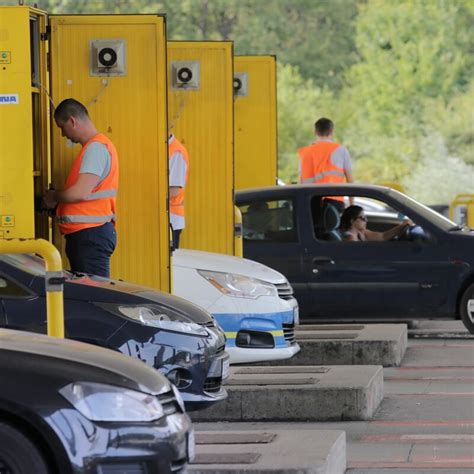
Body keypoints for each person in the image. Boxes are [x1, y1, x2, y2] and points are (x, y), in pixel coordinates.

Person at [43, 98, 118, 277]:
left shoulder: (95, 149)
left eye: (62, 127)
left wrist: (54, 197)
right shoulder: (98, 147)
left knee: (93, 297)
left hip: (90, 235)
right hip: (91, 234)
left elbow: (80, 193)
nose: (63, 134)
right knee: (91, 294)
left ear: (73, 121)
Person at [298, 117, 354, 213]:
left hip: (310, 203)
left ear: (315, 132)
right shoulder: (341, 150)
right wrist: (352, 206)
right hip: (335, 202)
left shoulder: (305, 152)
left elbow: (301, 180)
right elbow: (350, 180)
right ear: (331, 131)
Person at [340, 205, 412, 241]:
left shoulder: (361, 232)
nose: (366, 220)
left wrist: (402, 226)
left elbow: (383, 236)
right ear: (352, 221)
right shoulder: (350, 238)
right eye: (363, 218)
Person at [168, 134, 189, 249]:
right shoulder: (165, 148)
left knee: (169, 263)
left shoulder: (177, 152)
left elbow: (174, 190)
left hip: (171, 220)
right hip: (167, 218)